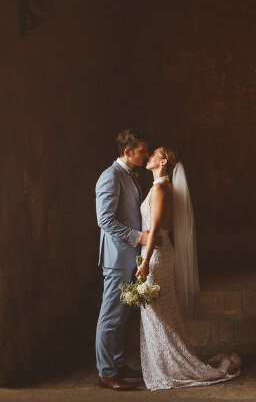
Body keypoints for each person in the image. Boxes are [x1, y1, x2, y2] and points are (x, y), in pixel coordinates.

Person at [136, 146, 240, 390]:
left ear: (163, 163)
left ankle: (176, 365)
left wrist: (146, 263)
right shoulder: (159, 187)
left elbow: (156, 229)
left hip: (157, 255)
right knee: (160, 313)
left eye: (154, 154)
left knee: (159, 312)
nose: (149, 156)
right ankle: (168, 363)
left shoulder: (161, 188)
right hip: (153, 253)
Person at [95, 129, 155, 391]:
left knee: (121, 314)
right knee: (110, 315)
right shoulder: (110, 176)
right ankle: (106, 373)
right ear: (128, 152)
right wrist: (138, 237)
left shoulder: (128, 175)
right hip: (117, 257)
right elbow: (105, 220)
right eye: (143, 151)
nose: (147, 155)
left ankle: (118, 363)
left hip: (129, 256)